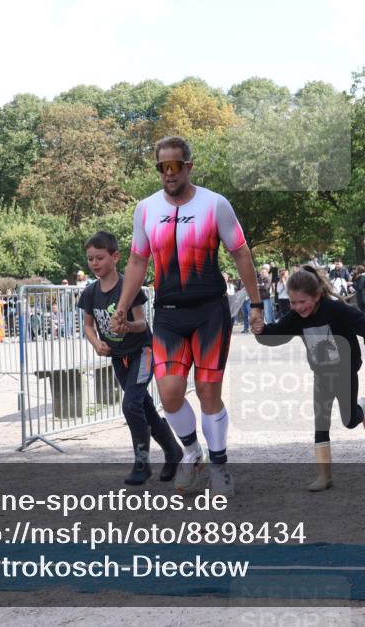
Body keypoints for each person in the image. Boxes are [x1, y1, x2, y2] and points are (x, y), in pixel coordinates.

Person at [112, 136, 263, 498]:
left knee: (210, 395)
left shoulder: (215, 204)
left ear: (188, 166)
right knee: (169, 394)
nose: (168, 173)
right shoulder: (145, 209)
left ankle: (219, 465)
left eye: (174, 166)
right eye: (161, 167)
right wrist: (121, 306)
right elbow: (137, 261)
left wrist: (256, 304)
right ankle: (192, 451)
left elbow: (240, 253)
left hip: (210, 312)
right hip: (168, 316)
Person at [254, 266, 365, 491]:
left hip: (345, 372)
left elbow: (363, 324)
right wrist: (262, 331)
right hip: (322, 375)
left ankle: (363, 407)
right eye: (293, 303)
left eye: (302, 302)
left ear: (316, 296)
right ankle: (324, 476)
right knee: (320, 423)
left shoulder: (336, 310)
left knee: (349, 420)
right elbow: (278, 334)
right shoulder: (296, 316)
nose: (297, 307)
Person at [79, 231, 183, 485]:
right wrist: (95, 343)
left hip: (143, 352)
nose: (94, 263)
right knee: (143, 406)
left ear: (115, 257)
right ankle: (173, 451)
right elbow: (88, 326)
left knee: (130, 404)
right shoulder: (91, 293)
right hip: (118, 357)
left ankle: (142, 463)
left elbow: (142, 324)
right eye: (90, 258)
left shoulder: (129, 287)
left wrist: (127, 324)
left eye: (100, 258)